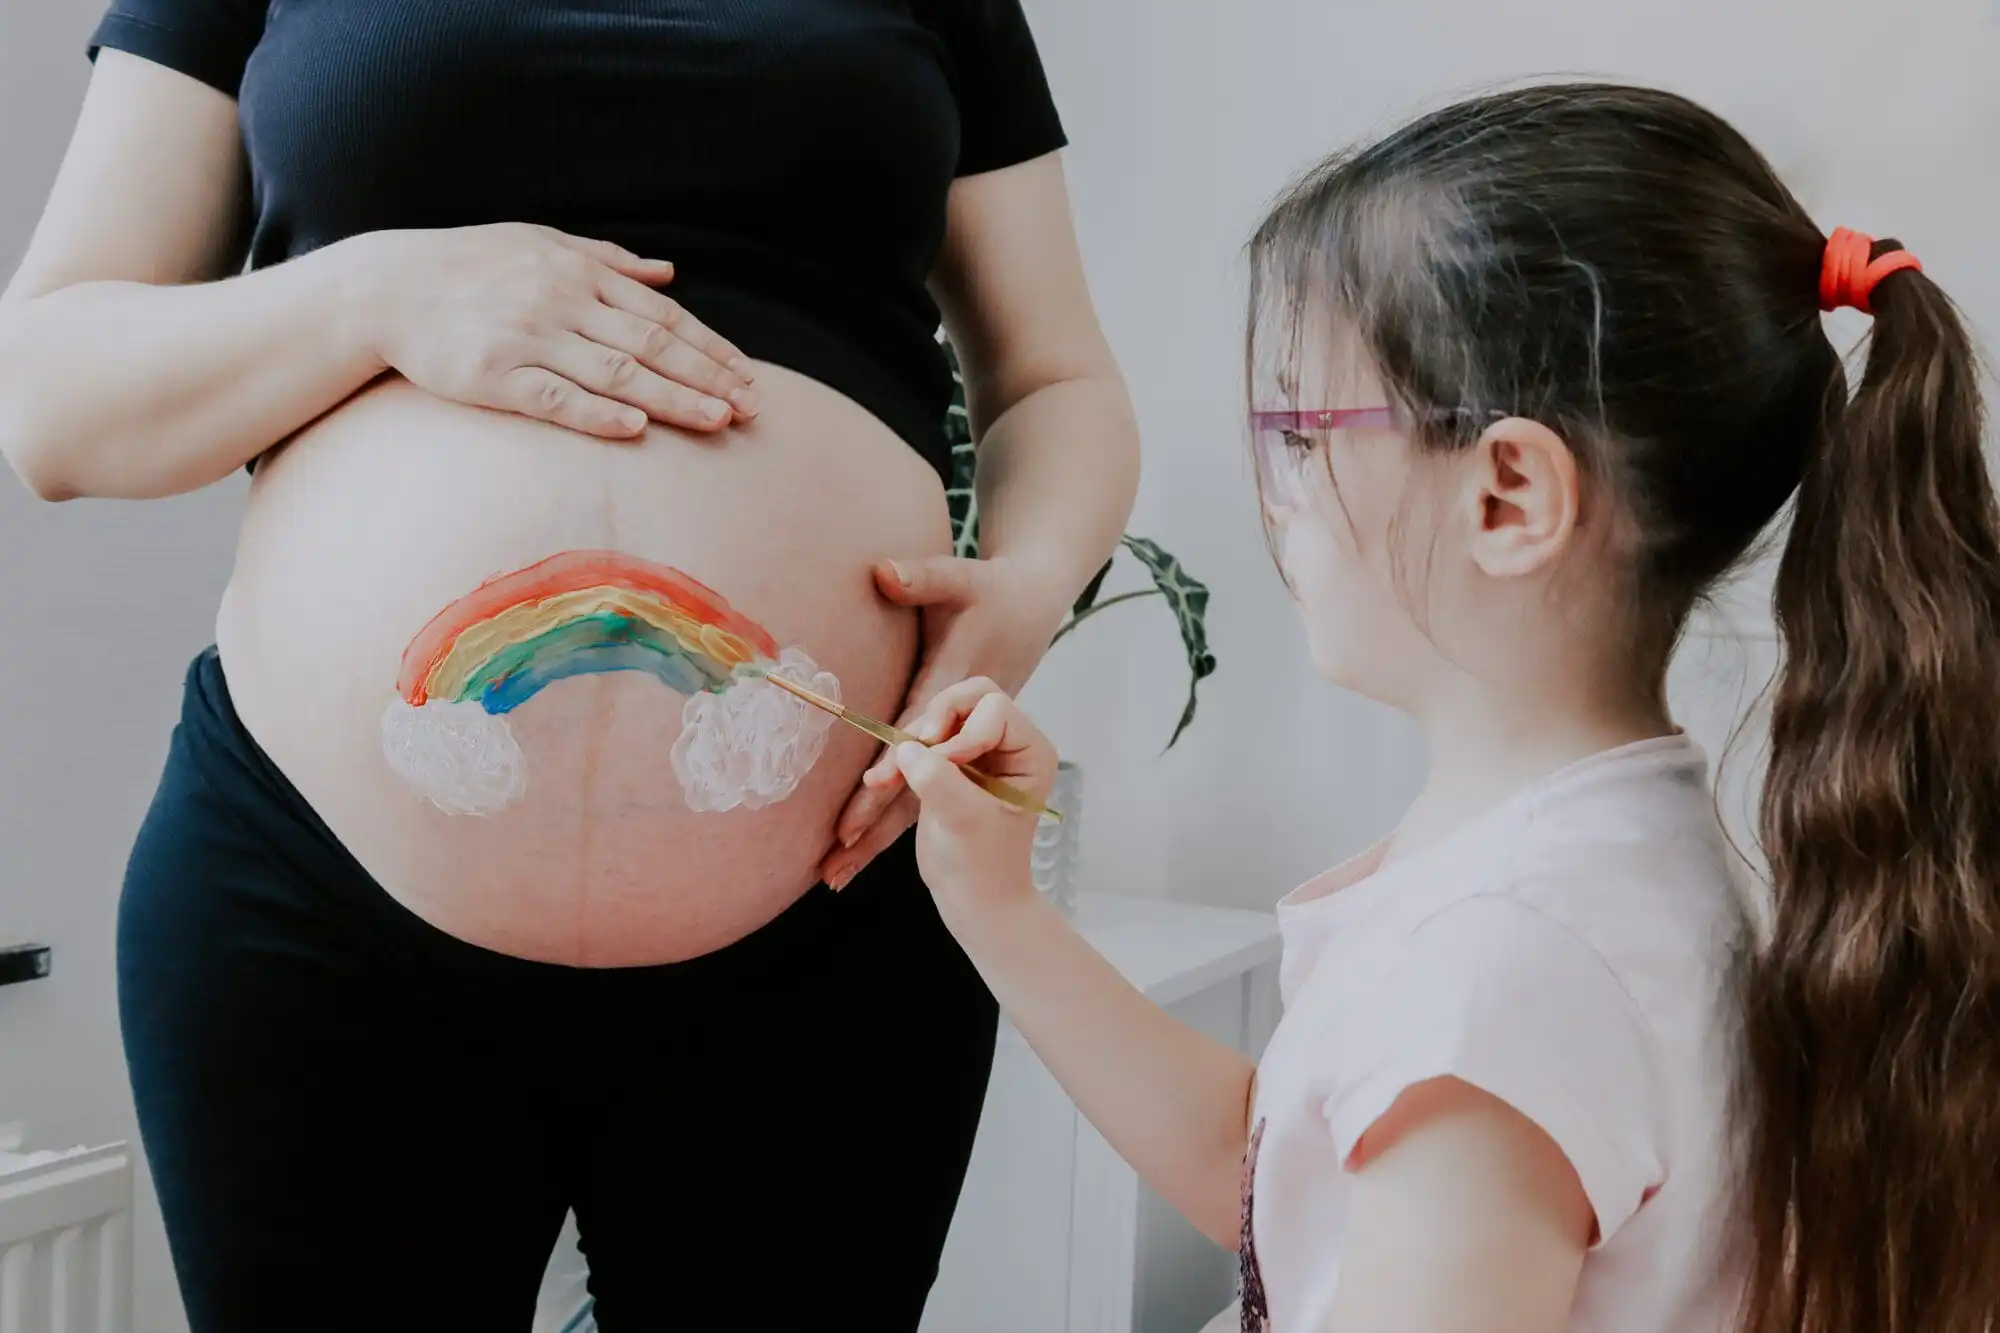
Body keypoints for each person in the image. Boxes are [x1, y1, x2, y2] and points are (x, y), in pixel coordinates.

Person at [0, 2, 1139, 1328]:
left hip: (835, 902)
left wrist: (1032, 583)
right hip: (316, 901)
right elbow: (51, 404)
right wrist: (375, 294)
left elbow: (1055, 378)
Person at [884, 83, 2000, 1333]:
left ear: (1506, 495)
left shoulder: (1508, 960)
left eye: (1302, 434)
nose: (1278, 495)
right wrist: (1000, 909)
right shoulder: (1565, 862)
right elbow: (1282, 1182)